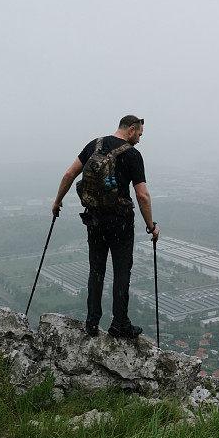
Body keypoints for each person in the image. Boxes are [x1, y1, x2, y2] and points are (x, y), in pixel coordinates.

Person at [52, 115, 159, 338]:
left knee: (96, 270)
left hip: (94, 219)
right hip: (120, 222)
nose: (139, 139)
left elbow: (70, 174)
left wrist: (57, 200)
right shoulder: (132, 154)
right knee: (121, 272)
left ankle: (92, 323)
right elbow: (142, 195)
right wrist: (151, 226)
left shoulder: (95, 145)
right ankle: (120, 323)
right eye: (139, 134)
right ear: (131, 129)